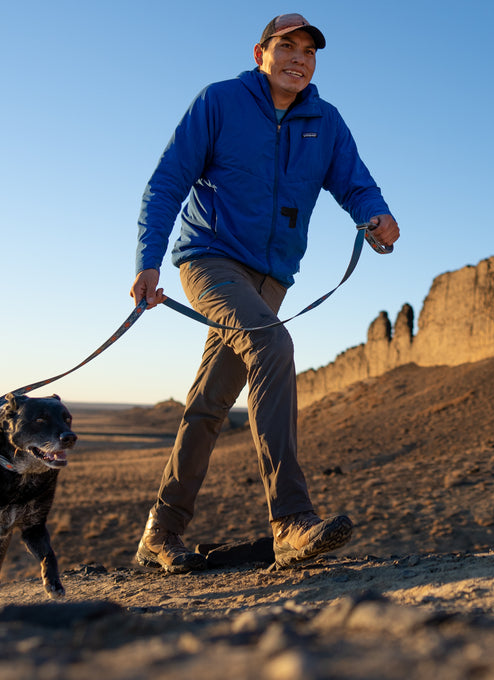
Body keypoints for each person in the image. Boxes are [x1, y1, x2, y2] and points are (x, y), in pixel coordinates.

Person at [130, 13, 400, 572]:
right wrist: (148, 261)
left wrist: (374, 213)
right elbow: (167, 181)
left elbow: (354, 180)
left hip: (272, 277)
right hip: (210, 260)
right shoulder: (220, 102)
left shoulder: (325, 121)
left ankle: (161, 530)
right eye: (287, 47)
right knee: (273, 348)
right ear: (261, 53)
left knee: (209, 401)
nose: (299, 58)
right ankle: (291, 521)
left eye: (310, 51)